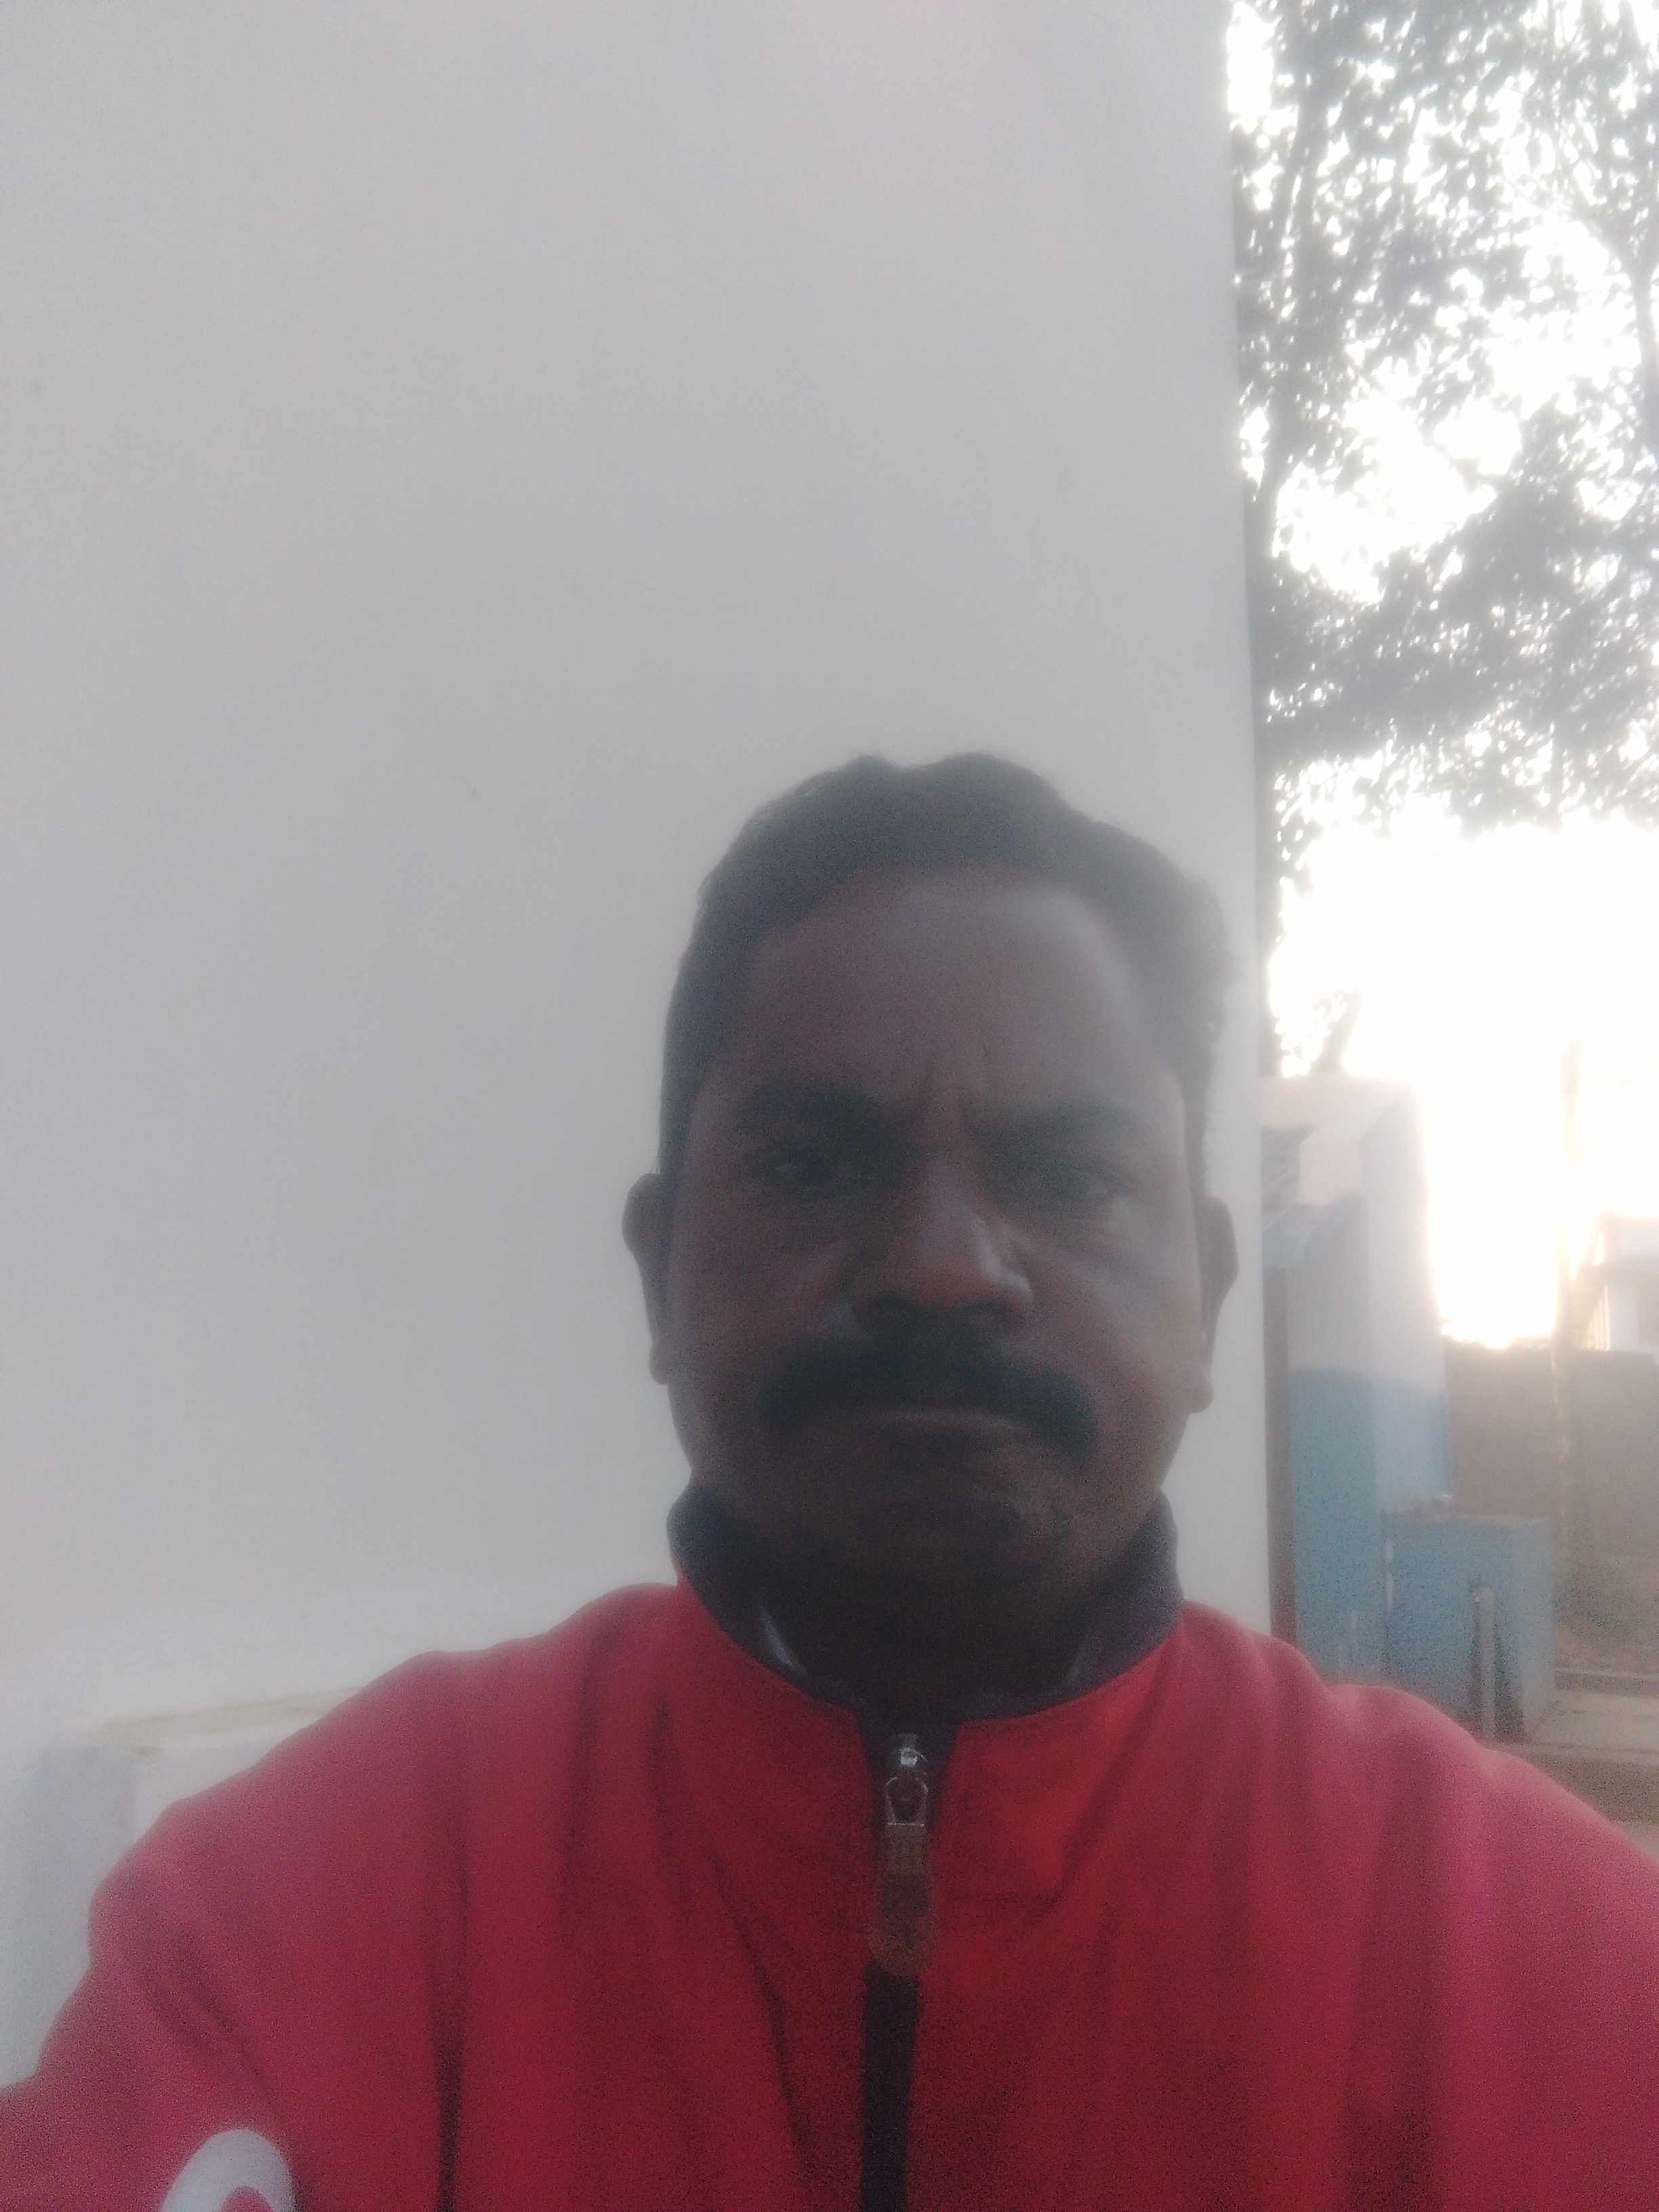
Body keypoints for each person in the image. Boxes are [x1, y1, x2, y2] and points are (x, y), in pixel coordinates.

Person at [3, 754, 1656, 2211]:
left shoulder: (1545, 1968)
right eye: (812, 1163)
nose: (944, 1264)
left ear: (1210, 1299)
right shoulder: (298, 1922)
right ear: (660, 1279)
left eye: (1069, 1175)